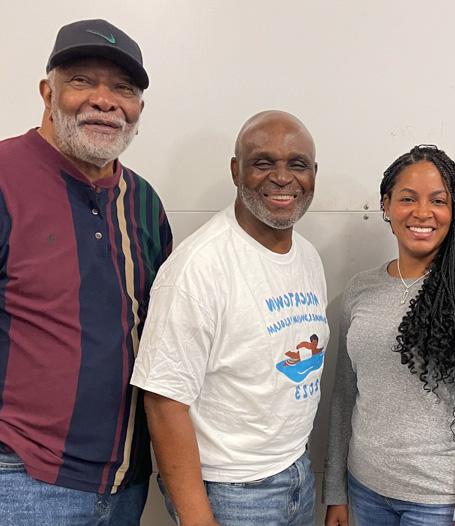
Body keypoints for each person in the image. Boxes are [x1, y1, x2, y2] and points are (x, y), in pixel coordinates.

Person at [0, 18, 171, 526]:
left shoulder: (142, 202)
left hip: (126, 484)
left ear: (139, 108)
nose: (104, 99)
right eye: (82, 81)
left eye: (124, 88)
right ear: (47, 92)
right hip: (21, 483)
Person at [131, 111, 327, 526]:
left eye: (297, 164)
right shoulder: (197, 267)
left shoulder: (307, 257)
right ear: (236, 170)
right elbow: (164, 403)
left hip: (298, 472)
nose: (281, 177)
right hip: (231, 493)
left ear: (313, 173)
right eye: (262, 163)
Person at [323, 145, 455, 526]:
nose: (422, 213)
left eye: (438, 201)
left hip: (441, 503)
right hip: (366, 493)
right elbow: (344, 396)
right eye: (408, 198)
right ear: (387, 206)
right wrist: (335, 492)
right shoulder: (360, 289)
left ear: (452, 211)